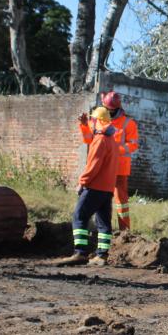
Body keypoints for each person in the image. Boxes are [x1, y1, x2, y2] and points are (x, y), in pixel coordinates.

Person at [58, 107, 119, 267]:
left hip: (95, 187)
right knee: (104, 223)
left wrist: (82, 182)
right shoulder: (110, 138)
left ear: (98, 120)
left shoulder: (100, 140)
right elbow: (88, 138)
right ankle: (101, 256)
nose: (91, 122)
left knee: (79, 217)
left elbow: (93, 165)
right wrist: (84, 125)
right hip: (107, 189)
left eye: (93, 120)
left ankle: (80, 253)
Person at [78, 91, 138, 230]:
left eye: (111, 110)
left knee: (121, 201)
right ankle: (95, 226)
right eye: (107, 109)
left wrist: (114, 150)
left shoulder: (128, 123)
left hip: (119, 169)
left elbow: (133, 144)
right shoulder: (96, 120)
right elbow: (88, 139)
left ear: (118, 108)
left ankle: (124, 231)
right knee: (96, 197)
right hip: (100, 167)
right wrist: (83, 125)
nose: (109, 112)